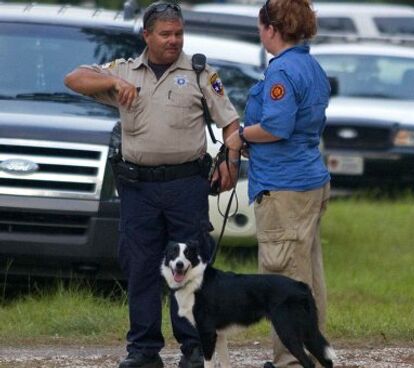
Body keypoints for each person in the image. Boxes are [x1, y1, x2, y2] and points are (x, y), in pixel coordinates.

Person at [64, 2, 241, 367]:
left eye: (178, 33)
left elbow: (231, 125)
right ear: (147, 35)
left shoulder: (199, 73)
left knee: (190, 268)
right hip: (139, 189)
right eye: (165, 34)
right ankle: (144, 350)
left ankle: (194, 347)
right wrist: (114, 82)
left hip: (185, 185)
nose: (173, 40)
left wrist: (230, 159)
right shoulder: (125, 70)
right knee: (141, 266)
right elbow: (74, 77)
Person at [225, 0, 331, 366]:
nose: (260, 35)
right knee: (308, 276)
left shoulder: (283, 72)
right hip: (309, 180)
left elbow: (276, 127)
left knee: (283, 278)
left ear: (272, 28)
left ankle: (290, 360)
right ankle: (313, 354)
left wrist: (240, 135)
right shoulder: (311, 65)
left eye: (260, 28)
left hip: (286, 187)